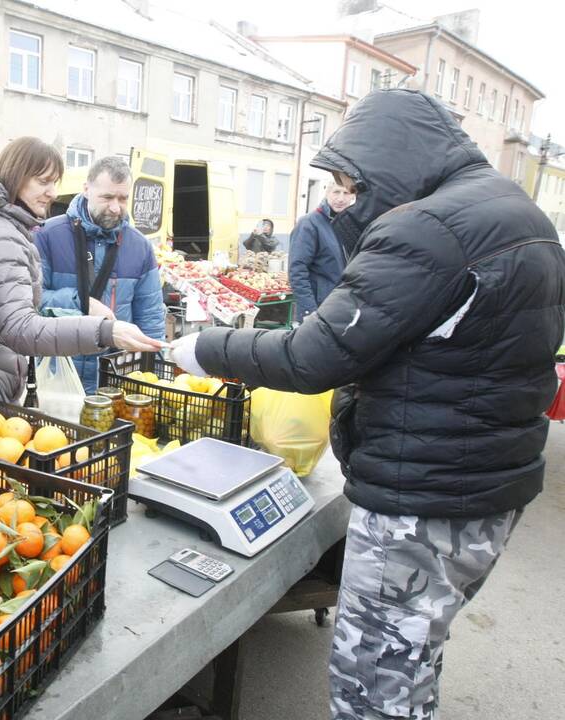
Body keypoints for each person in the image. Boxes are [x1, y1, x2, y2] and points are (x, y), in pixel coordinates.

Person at [170, 88, 565, 720]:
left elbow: (313, 355)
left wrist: (205, 348)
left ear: (389, 164)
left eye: (352, 182)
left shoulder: (428, 228)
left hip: (423, 499)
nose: (345, 197)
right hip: (492, 489)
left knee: (373, 689)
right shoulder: (523, 217)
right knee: (413, 658)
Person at [0, 137, 164, 401]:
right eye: (43, 182)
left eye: (54, 182)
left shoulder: (6, 227)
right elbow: (21, 327)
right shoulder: (0, 233)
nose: (52, 192)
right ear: (16, 177)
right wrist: (105, 331)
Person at [34, 155, 166, 393]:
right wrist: (82, 302)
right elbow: (32, 302)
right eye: (107, 197)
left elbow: (151, 320)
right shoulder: (47, 236)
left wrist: (153, 381)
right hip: (59, 377)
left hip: (114, 383)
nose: (116, 208)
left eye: (123, 198)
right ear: (86, 189)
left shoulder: (141, 247)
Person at [288, 182, 355, 322]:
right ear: (327, 193)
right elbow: (297, 270)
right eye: (336, 192)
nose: (341, 198)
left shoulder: (350, 224)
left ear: (352, 196)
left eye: (346, 193)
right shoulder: (309, 223)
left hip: (343, 305)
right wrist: (309, 310)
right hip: (319, 308)